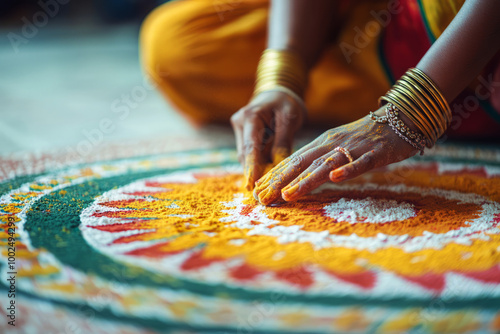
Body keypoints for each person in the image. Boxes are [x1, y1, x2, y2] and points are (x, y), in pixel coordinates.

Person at [140, 0, 500, 205]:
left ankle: (428, 96)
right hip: (380, 24)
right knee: (176, 47)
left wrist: (409, 111)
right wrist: (281, 77)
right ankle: (349, 89)